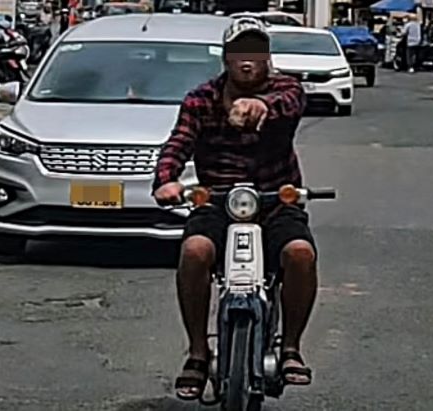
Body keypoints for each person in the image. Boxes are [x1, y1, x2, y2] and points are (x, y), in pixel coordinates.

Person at [152, 17, 318, 401]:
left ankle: (291, 347)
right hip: (216, 199)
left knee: (300, 254)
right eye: (239, 53)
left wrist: (258, 105)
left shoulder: (286, 89)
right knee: (194, 252)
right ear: (226, 58)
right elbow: (177, 143)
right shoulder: (200, 98)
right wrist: (166, 179)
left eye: (256, 53)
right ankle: (197, 351)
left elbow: (288, 104)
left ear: (267, 58)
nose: (248, 61)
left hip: (276, 198)